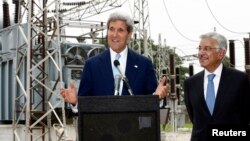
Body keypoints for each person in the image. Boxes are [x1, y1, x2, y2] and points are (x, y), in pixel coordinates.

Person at [60, 11, 170, 106]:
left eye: (120, 30)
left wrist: (157, 97)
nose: (114, 35)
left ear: (129, 34)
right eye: (111, 29)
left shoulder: (144, 64)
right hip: (102, 129)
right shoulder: (92, 65)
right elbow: (85, 105)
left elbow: (153, 104)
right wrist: (76, 102)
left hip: (134, 128)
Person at [184, 32, 250, 141]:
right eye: (200, 48)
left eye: (207, 48)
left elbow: (245, 117)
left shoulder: (239, 80)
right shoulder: (190, 83)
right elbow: (194, 118)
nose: (201, 53)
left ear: (221, 53)